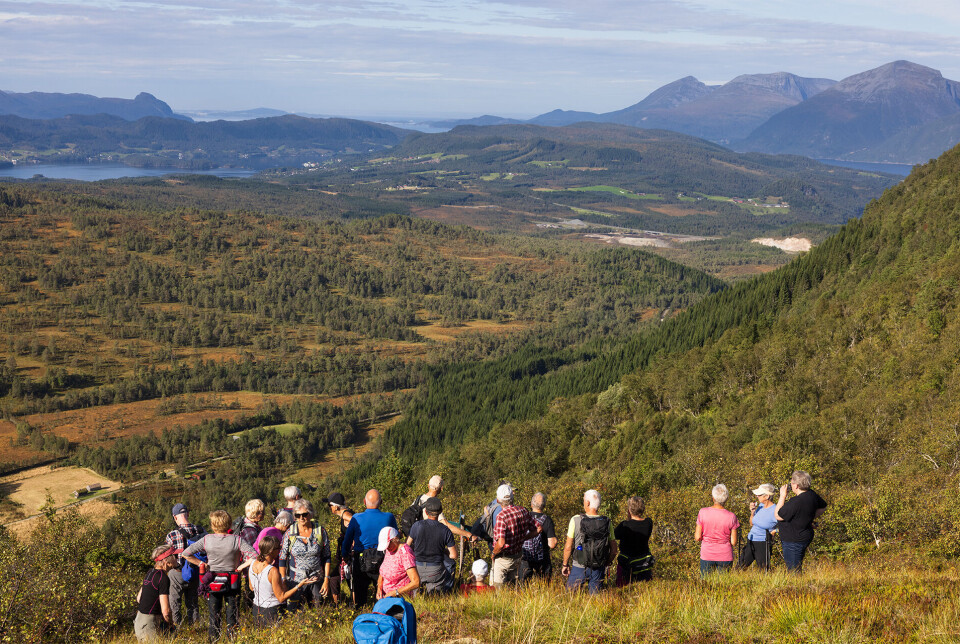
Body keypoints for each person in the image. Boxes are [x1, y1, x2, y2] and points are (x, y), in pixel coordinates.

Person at [182, 510, 258, 641]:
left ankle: (213, 640)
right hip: (233, 581)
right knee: (232, 616)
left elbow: (186, 553)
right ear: (229, 524)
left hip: (213, 581)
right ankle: (233, 640)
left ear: (213, 525)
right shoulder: (237, 540)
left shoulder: (207, 540)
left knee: (214, 617)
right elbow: (254, 556)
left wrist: (201, 563)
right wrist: (240, 567)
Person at [342, 489, 398, 606]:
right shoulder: (389, 517)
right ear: (381, 502)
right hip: (383, 559)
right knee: (382, 594)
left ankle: (362, 617)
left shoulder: (356, 518)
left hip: (360, 560)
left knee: (360, 598)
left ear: (364, 502)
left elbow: (347, 540)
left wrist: (345, 556)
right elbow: (395, 537)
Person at [247, 535, 318, 625]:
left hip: (256, 609)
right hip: (272, 611)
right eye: (278, 548)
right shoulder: (272, 571)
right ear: (271, 551)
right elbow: (281, 597)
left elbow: (251, 587)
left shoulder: (253, 563)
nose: (280, 550)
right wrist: (299, 585)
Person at [279, 499, 331, 610]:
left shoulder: (320, 531)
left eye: (304, 514)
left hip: (317, 580)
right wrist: (283, 580)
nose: (301, 518)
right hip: (295, 582)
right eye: (297, 515)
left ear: (311, 514)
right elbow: (282, 558)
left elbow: (327, 557)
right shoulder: (290, 533)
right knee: (295, 614)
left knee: (318, 612)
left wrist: (326, 579)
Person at [561, 489, 617, 594]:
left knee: (569, 598)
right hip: (598, 568)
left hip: (579, 566)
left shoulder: (575, 520)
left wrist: (565, 564)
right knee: (596, 601)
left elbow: (568, 547)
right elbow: (614, 550)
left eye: (583, 500)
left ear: (587, 503)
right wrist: (607, 563)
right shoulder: (607, 522)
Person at [490, 483, 540, 589]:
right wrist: (524, 538)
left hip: (503, 558)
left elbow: (501, 543)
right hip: (518, 556)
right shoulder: (523, 510)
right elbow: (538, 528)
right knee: (512, 586)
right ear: (512, 498)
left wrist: (494, 553)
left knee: (499, 588)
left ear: (498, 500)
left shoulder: (501, 516)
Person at [775, 471, 827, 572]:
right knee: (796, 566)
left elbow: (778, 515)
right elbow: (823, 506)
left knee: (794, 570)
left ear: (797, 485)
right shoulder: (812, 495)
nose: (790, 485)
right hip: (804, 535)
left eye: (792, 483)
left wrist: (782, 496)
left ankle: (797, 587)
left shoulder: (796, 502)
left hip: (794, 539)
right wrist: (808, 518)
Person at [163, 503, 204, 626]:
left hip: (178, 572)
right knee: (193, 603)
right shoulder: (200, 530)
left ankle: (177, 626)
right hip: (196, 571)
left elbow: (168, 557)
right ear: (188, 514)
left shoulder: (171, 535)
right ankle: (195, 626)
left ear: (175, 517)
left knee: (175, 602)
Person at [407, 496, 456, 594]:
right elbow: (453, 555)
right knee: (434, 597)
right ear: (440, 512)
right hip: (435, 570)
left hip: (417, 567)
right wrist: (443, 550)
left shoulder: (417, 526)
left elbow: (407, 546)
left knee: (416, 597)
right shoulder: (445, 530)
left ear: (425, 512)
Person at [134, 545, 178, 641]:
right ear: (167, 561)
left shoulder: (150, 572)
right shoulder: (163, 578)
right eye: (176, 556)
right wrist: (170, 625)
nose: (178, 558)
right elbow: (165, 611)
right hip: (149, 623)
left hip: (139, 621)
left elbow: (139, 599)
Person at [695, 484, 740, 576]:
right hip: (725, 555)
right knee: (723, 586)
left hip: (707, 554)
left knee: (705, 585)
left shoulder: (703, 512)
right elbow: (734, 542)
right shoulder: (732, 516)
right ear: (726, 499)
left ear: (713, 498)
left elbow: (697, 537)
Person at [614, 495, 654, 585]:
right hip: (644, 563)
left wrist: (629, 519)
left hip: (626, 564)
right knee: (644, 588)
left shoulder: (624, 525)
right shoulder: (648, 523)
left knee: (623, 587)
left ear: (629, 510)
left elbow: (614, 535)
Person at [323, 491, 354, 604]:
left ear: (335, 507)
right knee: (343, 579)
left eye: (329, 505)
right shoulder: (346, 514)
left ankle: (341, 605)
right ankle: (344, 604)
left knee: (339, 579)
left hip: (349, 555)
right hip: (346, 554)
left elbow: (355, 521)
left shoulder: (346, 515)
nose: (329, 508)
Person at [519, 492, 557, 582]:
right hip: (542, 558)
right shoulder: (547, 520)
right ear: (544, 506)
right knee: (544, 584)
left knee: (523, 586)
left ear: (531, 505)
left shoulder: (523, 517)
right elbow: (552, 544)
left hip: (525, 556)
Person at [739, 483, 778, 570]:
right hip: (751, 540)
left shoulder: (775, 510)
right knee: (740, 567)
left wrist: (775, 531)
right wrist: (752, 511)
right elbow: (751, 523)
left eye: (759, 495)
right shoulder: (760, 506)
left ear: (767, 496)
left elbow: (786, 526)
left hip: (763, 543)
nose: (757, 496)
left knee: (763, 570)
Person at [376, 527, 420, 600]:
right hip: (386, 598)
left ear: (395, 539)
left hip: (400, 600)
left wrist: (395, 593)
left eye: (388, 545)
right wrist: (379, 589)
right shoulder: (389, 550)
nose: (387, 548)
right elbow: (383, 572)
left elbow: (416, 582)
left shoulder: (405, 553)